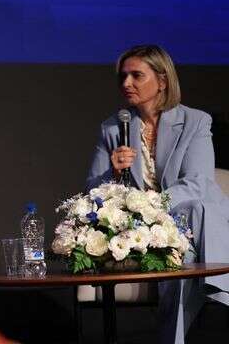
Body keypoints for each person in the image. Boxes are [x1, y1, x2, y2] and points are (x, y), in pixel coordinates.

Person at [86, 44, 229, 344]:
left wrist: (150, 205)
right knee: (179, 250)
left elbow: (198, 183)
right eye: (123, 77)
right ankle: (219, 298)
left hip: (192, 224)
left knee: (196, 211)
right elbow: (92, 192)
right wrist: (114, 174)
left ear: (162, 80)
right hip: (144, 231)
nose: (127, 83)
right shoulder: (113, 128)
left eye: (136, 75)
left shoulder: (195, 122)